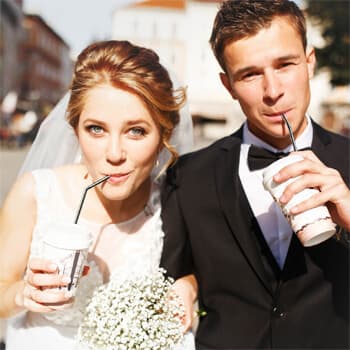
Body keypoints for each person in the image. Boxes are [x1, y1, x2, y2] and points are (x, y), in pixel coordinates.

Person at [160, 1, 350, 349]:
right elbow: (170, 273)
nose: (273, 90)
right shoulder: (187, 177)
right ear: (228, 85)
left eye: (285, 65)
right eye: (250, 74)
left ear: (309, 62)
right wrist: (186, 283)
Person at [0, 40, 197, 349]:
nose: (114, 153)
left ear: (163, 136)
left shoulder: (175, 202)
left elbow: (205, 271)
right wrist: (23, 292)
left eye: (136, 131)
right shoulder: (36, 193)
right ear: (75, 127)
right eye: (96, 129)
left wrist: (189, 286)